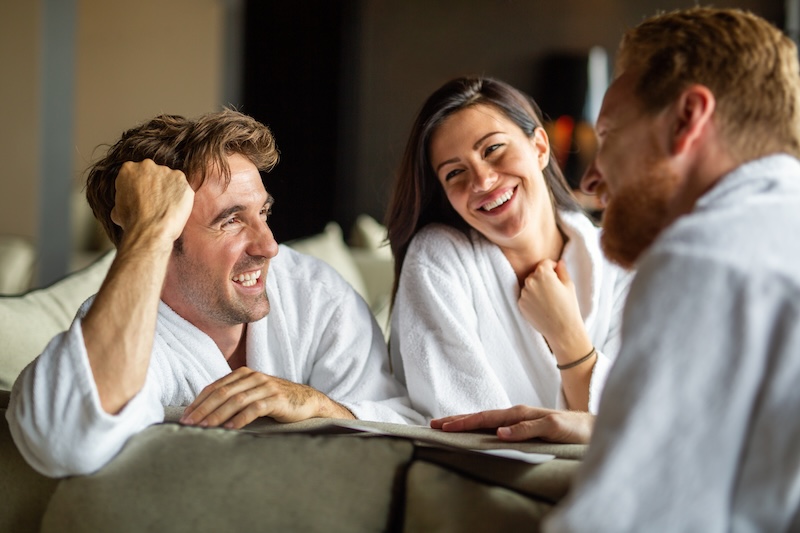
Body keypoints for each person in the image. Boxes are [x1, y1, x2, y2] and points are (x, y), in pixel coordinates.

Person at [441, 7, 800, 531]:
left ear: (686, 119)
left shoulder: (706, 257)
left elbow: (624, 520)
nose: (590, 179)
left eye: (608, 136)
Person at [6, 109, 422, 478]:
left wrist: (315, 405)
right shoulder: (127, 330)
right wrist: (146, 229)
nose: (269, 246)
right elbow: (64, 442)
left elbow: (406, 425)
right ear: (159, 238)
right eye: (231, 221)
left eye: (262, 212)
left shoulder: (312, 293)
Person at [385, 77, 633, 421]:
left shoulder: (622, 264)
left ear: (540, 147)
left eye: (493, 149)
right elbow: (461, 424)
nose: (483, 181)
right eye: (455, 172)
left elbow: (641, 424)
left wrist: (567, 337)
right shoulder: (437, 260)